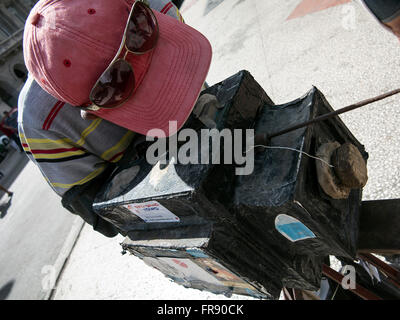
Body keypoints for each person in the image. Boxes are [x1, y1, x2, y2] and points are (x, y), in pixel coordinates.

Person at [19, 0, 212, 237]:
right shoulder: (40, 124)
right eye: (119, 90)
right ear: (86, 109)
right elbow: (107, 214)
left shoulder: (150, 5)